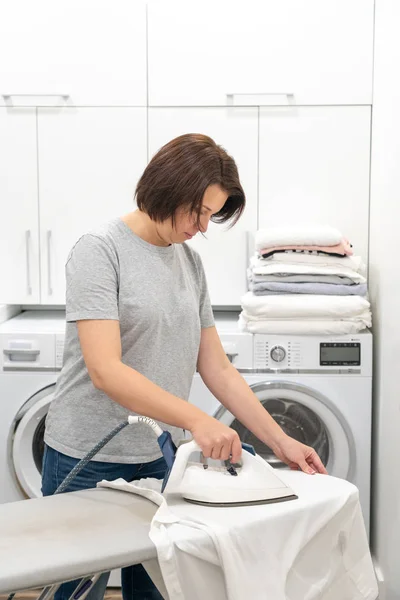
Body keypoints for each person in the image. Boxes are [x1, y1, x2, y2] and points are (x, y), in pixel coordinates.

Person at [42, 133, 327, 600]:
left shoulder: (189, 264)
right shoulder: (99, 250)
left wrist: (281, 440)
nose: (202, 226)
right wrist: (196, 420)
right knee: (77, 592)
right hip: (86, 457)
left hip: (158, 456)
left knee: (157, 588)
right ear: (166, 187)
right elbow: (105, 370)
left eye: (212, 216)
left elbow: (217, 369)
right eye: (198, 212)